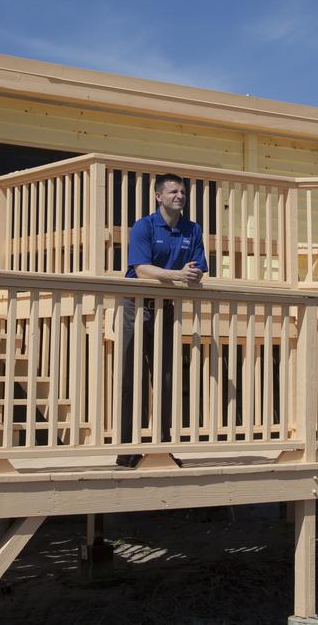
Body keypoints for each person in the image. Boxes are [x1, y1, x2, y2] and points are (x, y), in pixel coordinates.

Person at [117, 173, 207, 467]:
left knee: (166, 379)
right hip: (136, 305)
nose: (179, 196)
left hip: (167, 308)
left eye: (182, 191)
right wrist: (179, 274)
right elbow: (142, 269)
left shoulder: (192, 229)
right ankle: (128, 448)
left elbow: (198, 270)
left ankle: (163, 446)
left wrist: (190, 275)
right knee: (133, 378)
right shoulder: (144, 226)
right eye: (172, 192)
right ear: (158, 196)